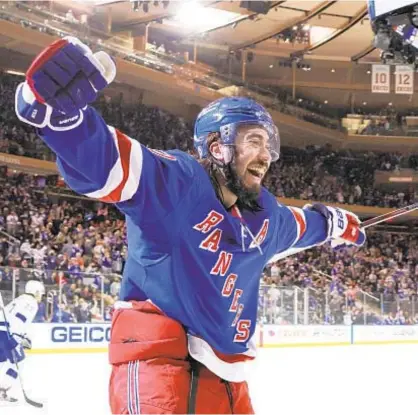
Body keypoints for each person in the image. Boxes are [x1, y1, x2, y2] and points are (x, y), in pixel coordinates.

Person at [15, 37, 366, 414]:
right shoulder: (179, 184)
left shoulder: (268, 216)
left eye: (268, 145)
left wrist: (335, 222)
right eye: (254, 141)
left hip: (227, 377)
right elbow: (108, 162)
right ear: (217, 147)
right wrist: (64, 121)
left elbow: (304, 225)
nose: (266, 155)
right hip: (158, 368)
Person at [0, 280, 45, 402]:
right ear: (35, 292)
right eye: (40, 293)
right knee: (19, 362)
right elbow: (20, 319)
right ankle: (3, 389)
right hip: (7, 334)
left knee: (2, 360)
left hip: (2, 331)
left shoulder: (19, 299)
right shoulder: (31, 302)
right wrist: (16, 339)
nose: (41, 296)